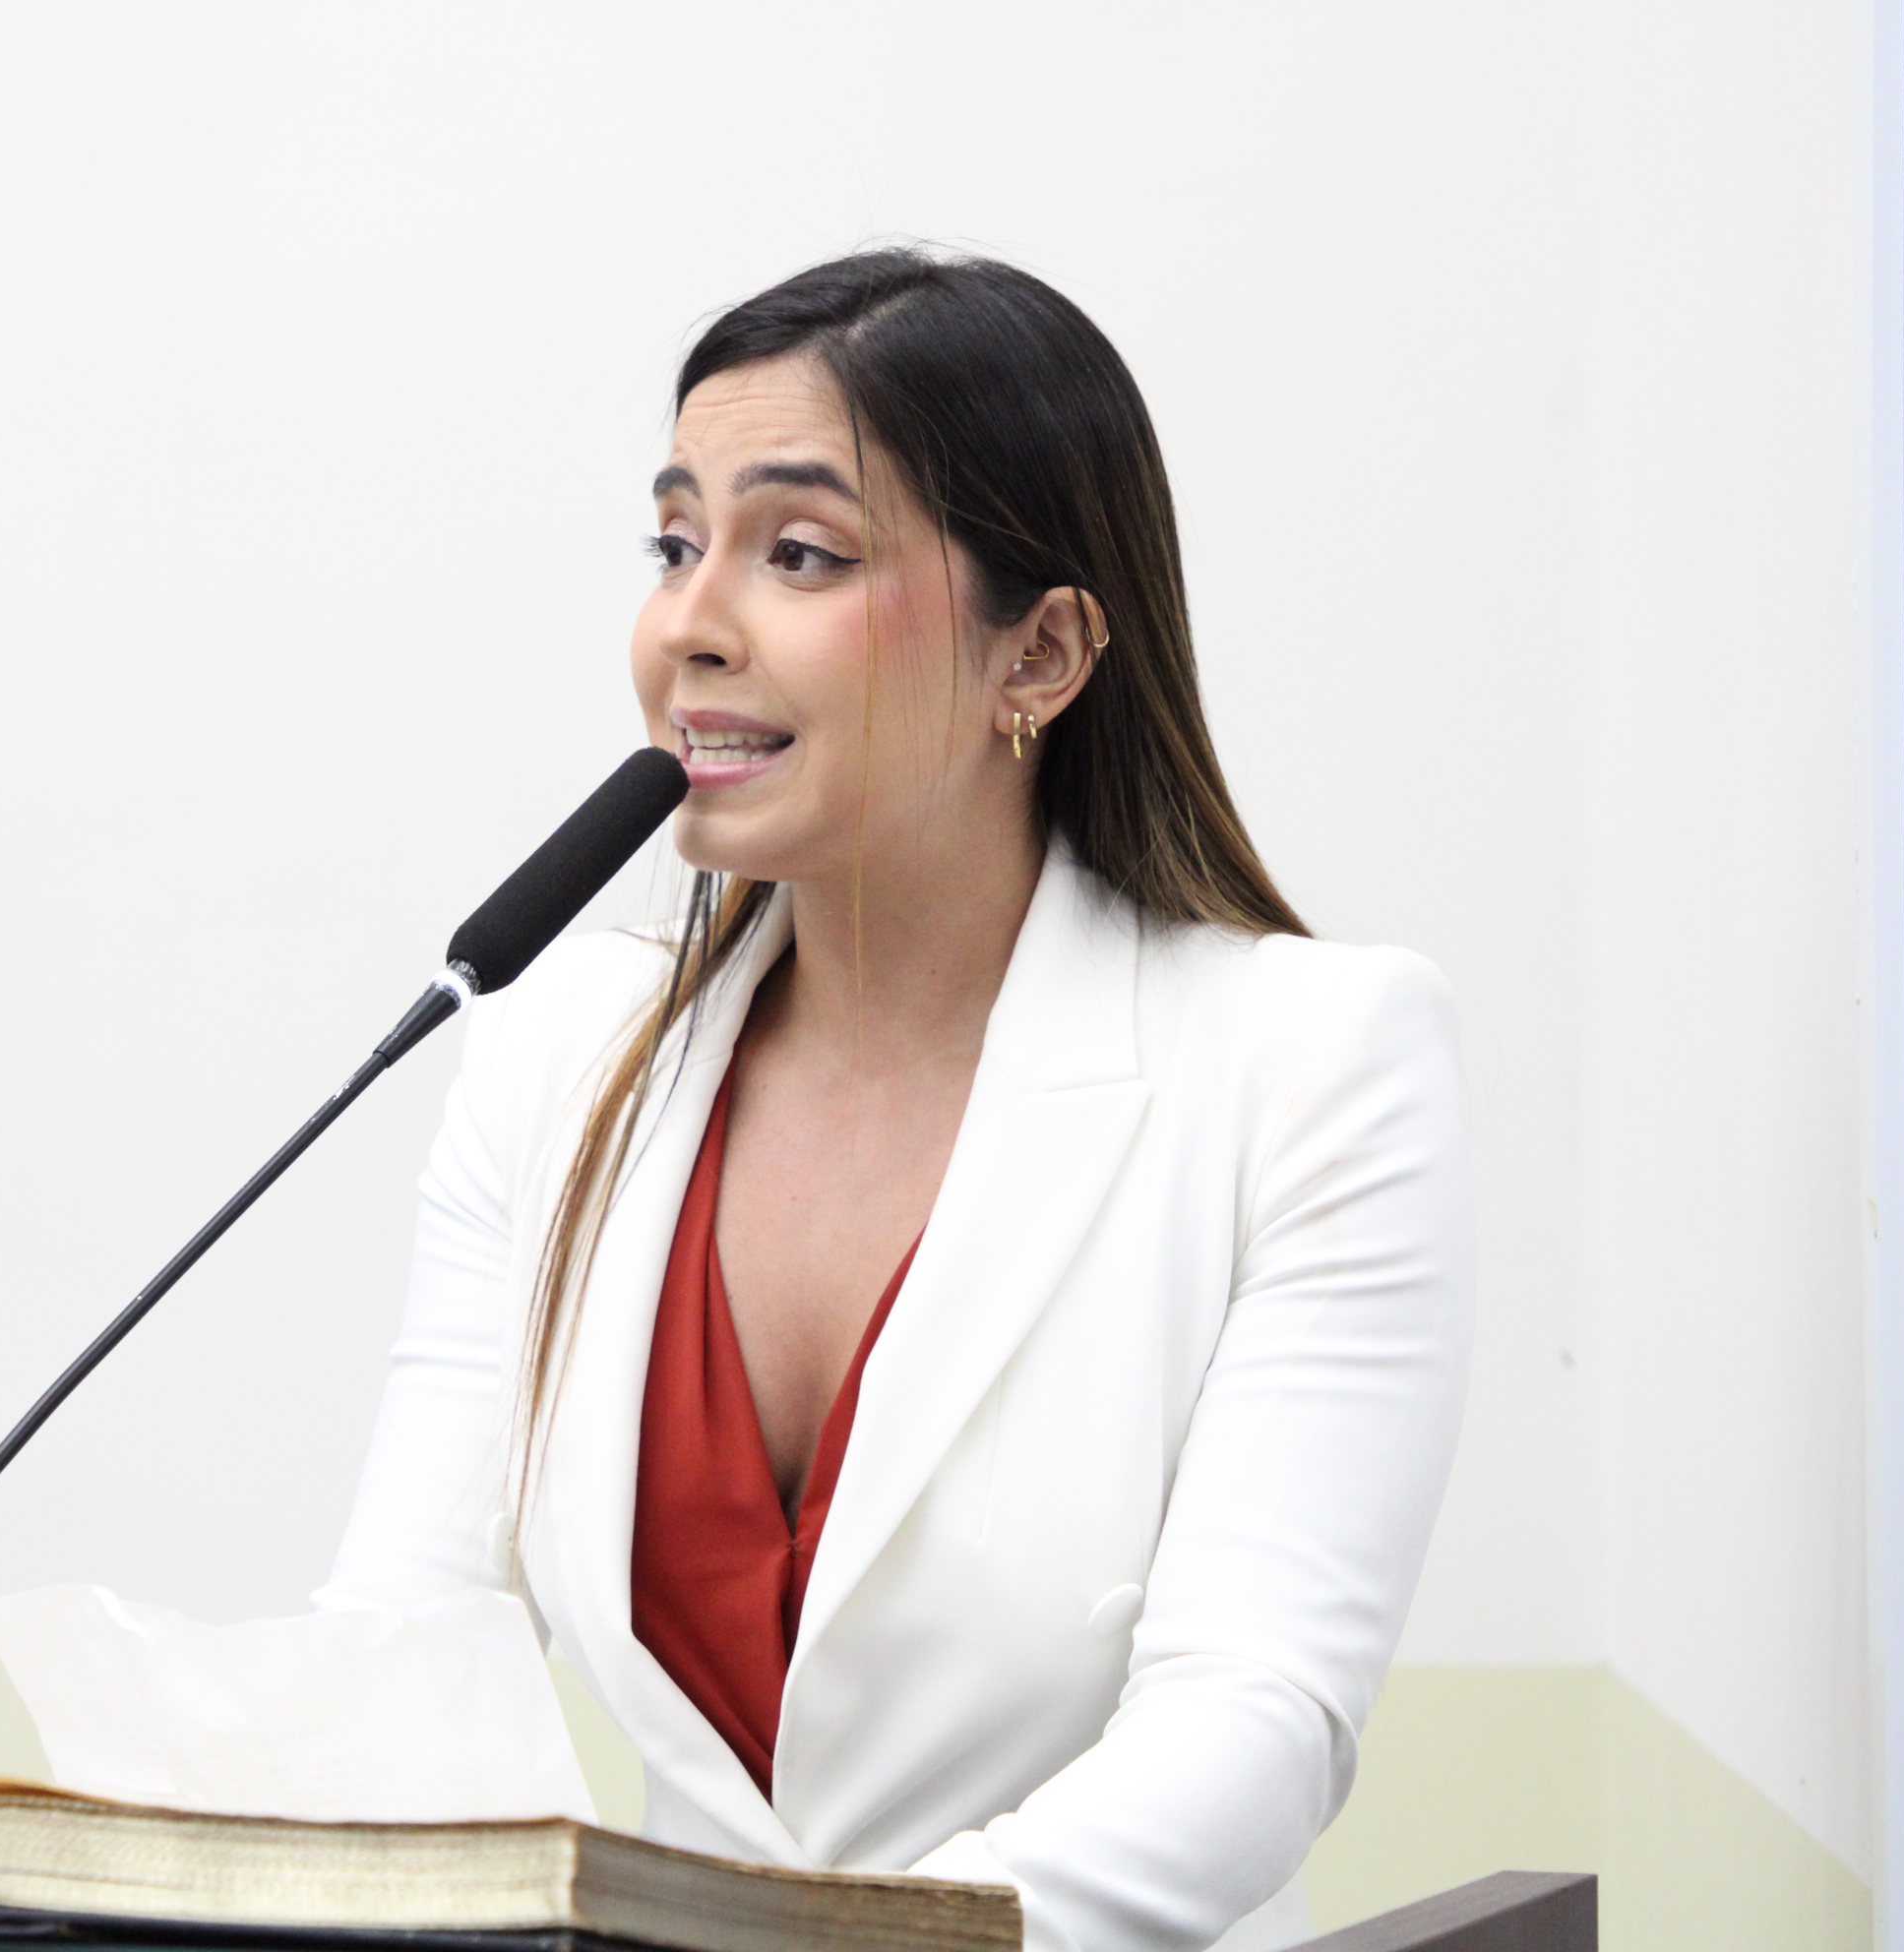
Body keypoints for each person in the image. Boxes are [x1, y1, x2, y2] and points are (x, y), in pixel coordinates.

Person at [316, 248, 1472, 1952]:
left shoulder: (1312, 1064)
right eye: (675, 545)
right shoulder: (552, 1050)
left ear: (1043, 651)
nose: (690, 627)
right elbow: (401, 1650)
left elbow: (1252, 1727)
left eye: (799, 553)